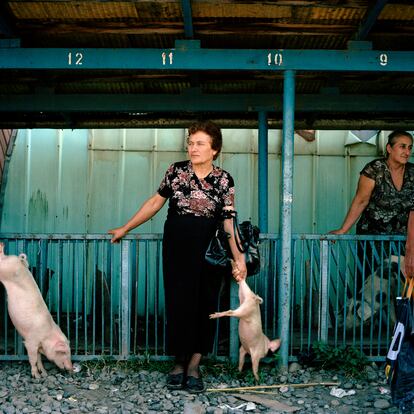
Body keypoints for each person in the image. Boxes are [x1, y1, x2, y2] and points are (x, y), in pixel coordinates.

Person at [108, 120, 247, 393]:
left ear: (214, 149)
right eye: (191, 142)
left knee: (206, 305)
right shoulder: (175, 171)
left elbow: (229, 222)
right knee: (178, 303)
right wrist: (125, 227)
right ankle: (179, 361)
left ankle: (195, 364)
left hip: (209, 251)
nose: (193, 148)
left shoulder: (224, 179)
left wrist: (238, 259)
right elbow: (154, 202)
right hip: (177, 247)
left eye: (200, 144)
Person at [330, 130, 414, 290]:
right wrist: (343, 230)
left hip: (402, 241)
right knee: (372, 285)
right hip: (372, 239)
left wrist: (411, 249)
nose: (407, 152)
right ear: (389, 148)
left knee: (403, 288)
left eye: (410, 147)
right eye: (402, 146)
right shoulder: (375, 169)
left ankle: (397, 316)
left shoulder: (412, 173)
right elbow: (361, 200)